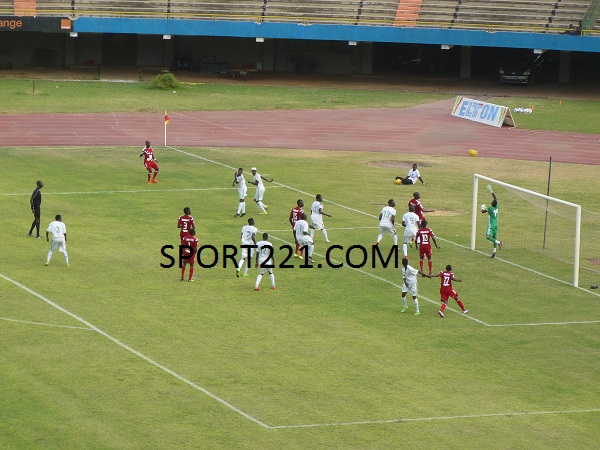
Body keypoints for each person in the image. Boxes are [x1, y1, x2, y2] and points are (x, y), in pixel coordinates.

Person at [481, 189, 502, 258]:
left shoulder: (490, 208)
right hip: (496, 224)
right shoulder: (496, 207)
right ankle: (494, 252)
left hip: (491, 224)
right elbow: (495, 198)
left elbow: (483, 211)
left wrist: (482, 207)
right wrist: (491, 191)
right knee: (494, 237)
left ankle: (499, 242)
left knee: (488, 236)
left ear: (491, 204)